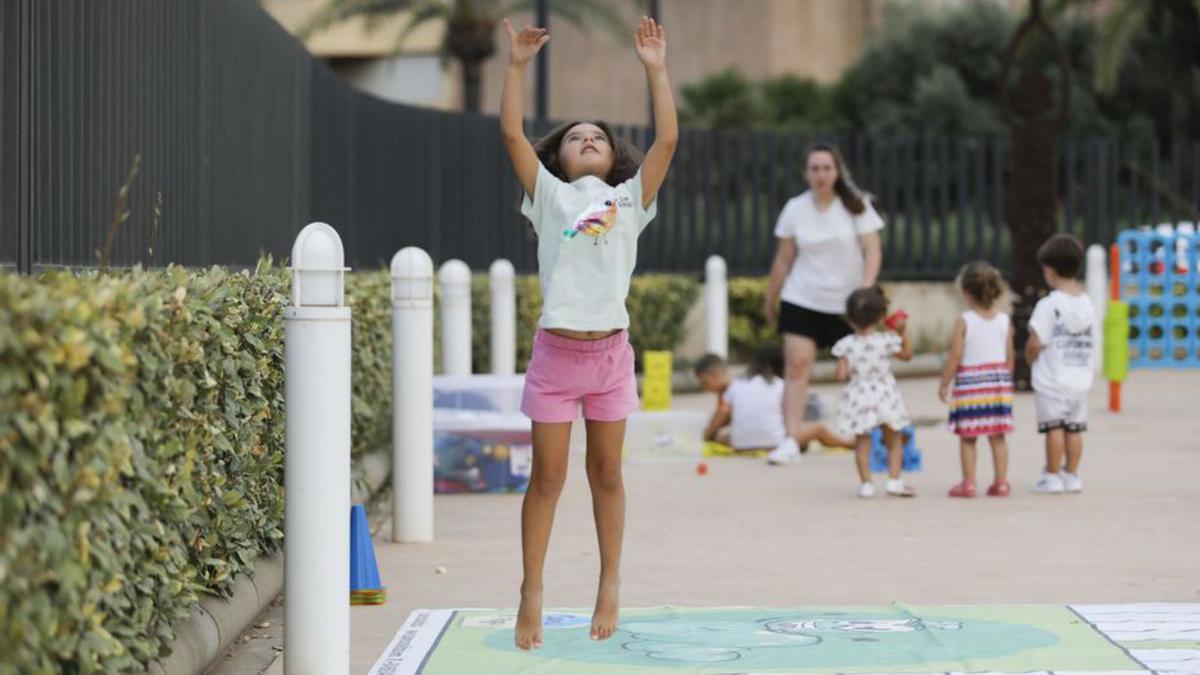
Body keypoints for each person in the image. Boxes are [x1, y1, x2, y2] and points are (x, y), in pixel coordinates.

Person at [499, 16, 678, 649]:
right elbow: (512, 134)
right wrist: (517, 66)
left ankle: (609, 582)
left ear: (612, 155)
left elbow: (666, 142)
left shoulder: (632, 200)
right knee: (547, 480)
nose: (586, 138)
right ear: (561, 158)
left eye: (597, 135)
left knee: (607, 474)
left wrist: (655, 69)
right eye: (575, 137)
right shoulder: (547, 196)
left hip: (609, 356)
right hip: (556, 354)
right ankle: (532, 590)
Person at [764, 144, 885, 466]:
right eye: (814, 168)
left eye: (827, 168)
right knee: (798, 367)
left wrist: (866, 290)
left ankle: (866, 437)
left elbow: (872, 249)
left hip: (848, 303)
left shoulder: (856, 205)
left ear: (837, 171)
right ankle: (790, 439)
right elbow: (784, 257)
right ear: (806, 173)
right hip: (802, 297)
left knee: (861, 370)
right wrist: (771, 296)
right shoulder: (795, 208)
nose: (821, 175)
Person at [939, 262, 1015, 498]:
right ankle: (1001, 482)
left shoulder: (965, 320)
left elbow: (955, 355)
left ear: (967, 293)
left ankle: (969, 483)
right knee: (998, 436)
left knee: (968, 437)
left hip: (971, 384)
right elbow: (1009, 355)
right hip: (997, 383)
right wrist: (1006, 382)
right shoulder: (1004, 320)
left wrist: (944, 382)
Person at [832, 287, 916, 498]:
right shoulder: (886, 340)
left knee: (862, 441)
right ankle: (894, 481)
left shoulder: (845, 345)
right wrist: (903, 332)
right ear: (880, 317)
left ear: (849, 318)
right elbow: (907, 355)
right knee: (894, 438)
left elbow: (841, 376)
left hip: (859, 394)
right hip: (885, 394)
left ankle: (866, 484)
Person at [1026, 234, 1094, 494]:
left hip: (1053, 378)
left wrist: (1030, 357)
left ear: (1050, 271)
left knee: (1054, 427)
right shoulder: (1087, 303)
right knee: (1075, 428)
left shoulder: (1048, 305)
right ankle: (1072, 474)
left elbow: (1036, 341)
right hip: (1078, 377)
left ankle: (1052, 476)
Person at [699, 348, 854, 455]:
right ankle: (848, 444)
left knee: (722, 436)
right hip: (776, 442)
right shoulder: (778, 384)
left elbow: (723, 413)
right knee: (818, 429)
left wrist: (706, 435)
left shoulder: (736, 386)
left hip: (741, 446)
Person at [693, 353, 733, 446]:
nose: (704, 388)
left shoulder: (730, 390)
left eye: (704, 382)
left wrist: (705, 436)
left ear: (715, 375)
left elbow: (722, 413)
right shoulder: (723, 392)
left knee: (720, 436)